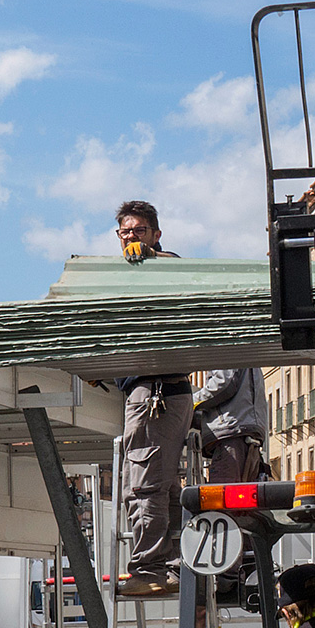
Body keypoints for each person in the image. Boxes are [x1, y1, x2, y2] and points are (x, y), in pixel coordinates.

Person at [111, 200, 191, 598]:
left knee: (143, 485)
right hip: (157, 392)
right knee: (163, 486)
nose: (131, 239)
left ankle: (148, 569)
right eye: (125, 232)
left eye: (139, 231)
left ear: (156, 234)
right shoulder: (125, 278)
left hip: (157, 393)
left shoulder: (161, 265)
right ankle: (173, 566)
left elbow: (177, 269)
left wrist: (152, 257)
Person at [193, 368, 269, 485]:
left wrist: (191, 402)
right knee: (243, 496)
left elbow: (223, 383)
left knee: (222, 495)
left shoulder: (226, 351)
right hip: (245, 431)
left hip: (231, 432)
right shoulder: (250, 356)